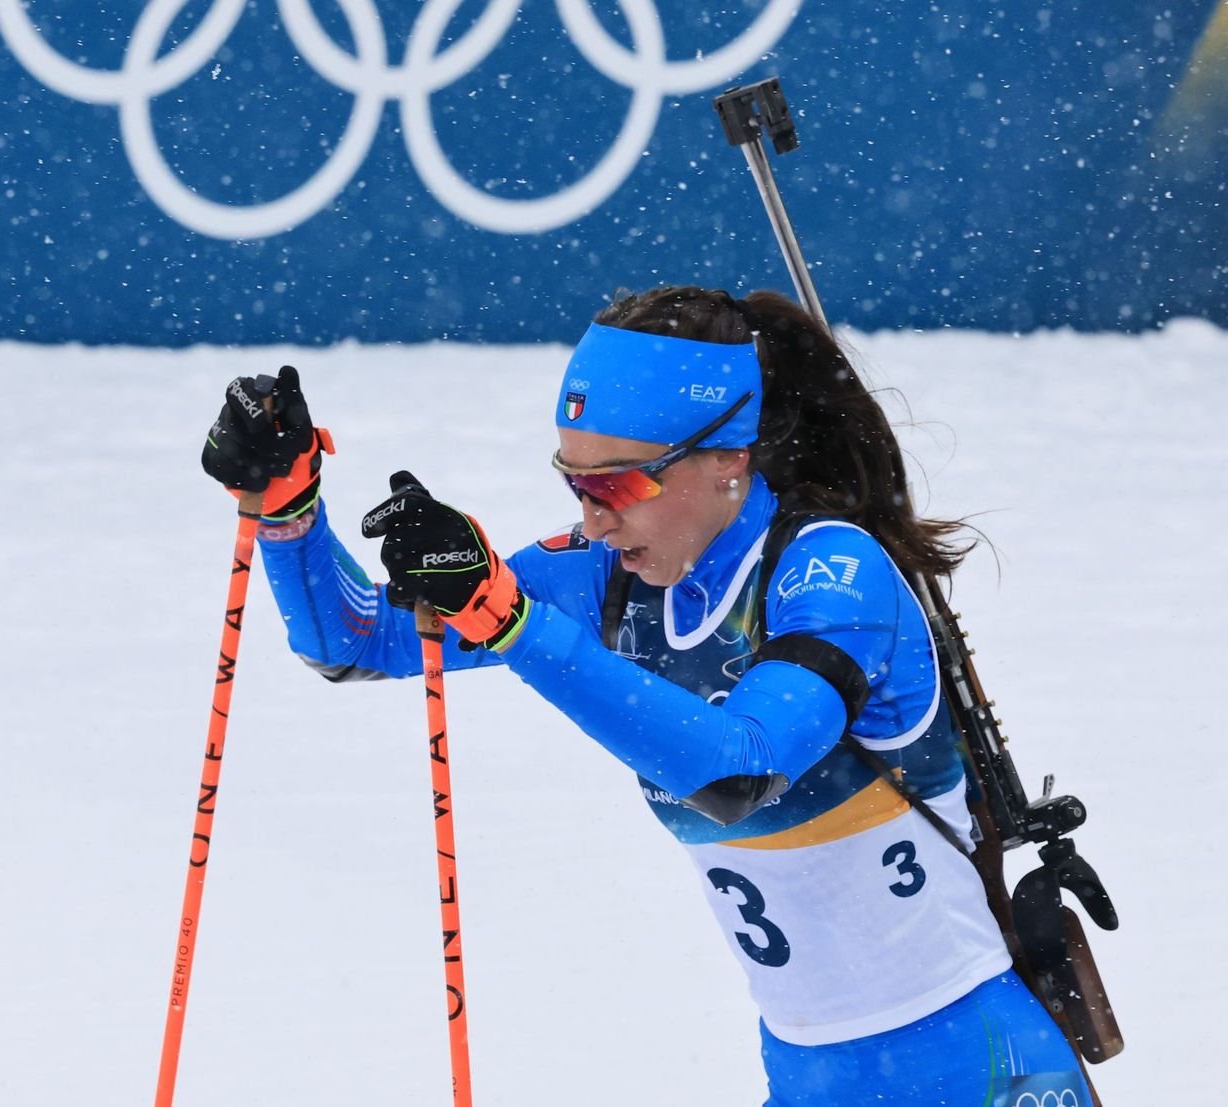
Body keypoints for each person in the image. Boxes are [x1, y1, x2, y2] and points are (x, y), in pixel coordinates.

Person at [201, 286, 1092, 1106]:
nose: (592, 520)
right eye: (574, 483)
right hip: (809, 1070)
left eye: (618, 486)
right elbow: (357, 642)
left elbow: (743, 766)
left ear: (726, 460)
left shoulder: (830, 572)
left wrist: (513, 624)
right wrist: (286, 512)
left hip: (973, 1064)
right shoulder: (611, 578)